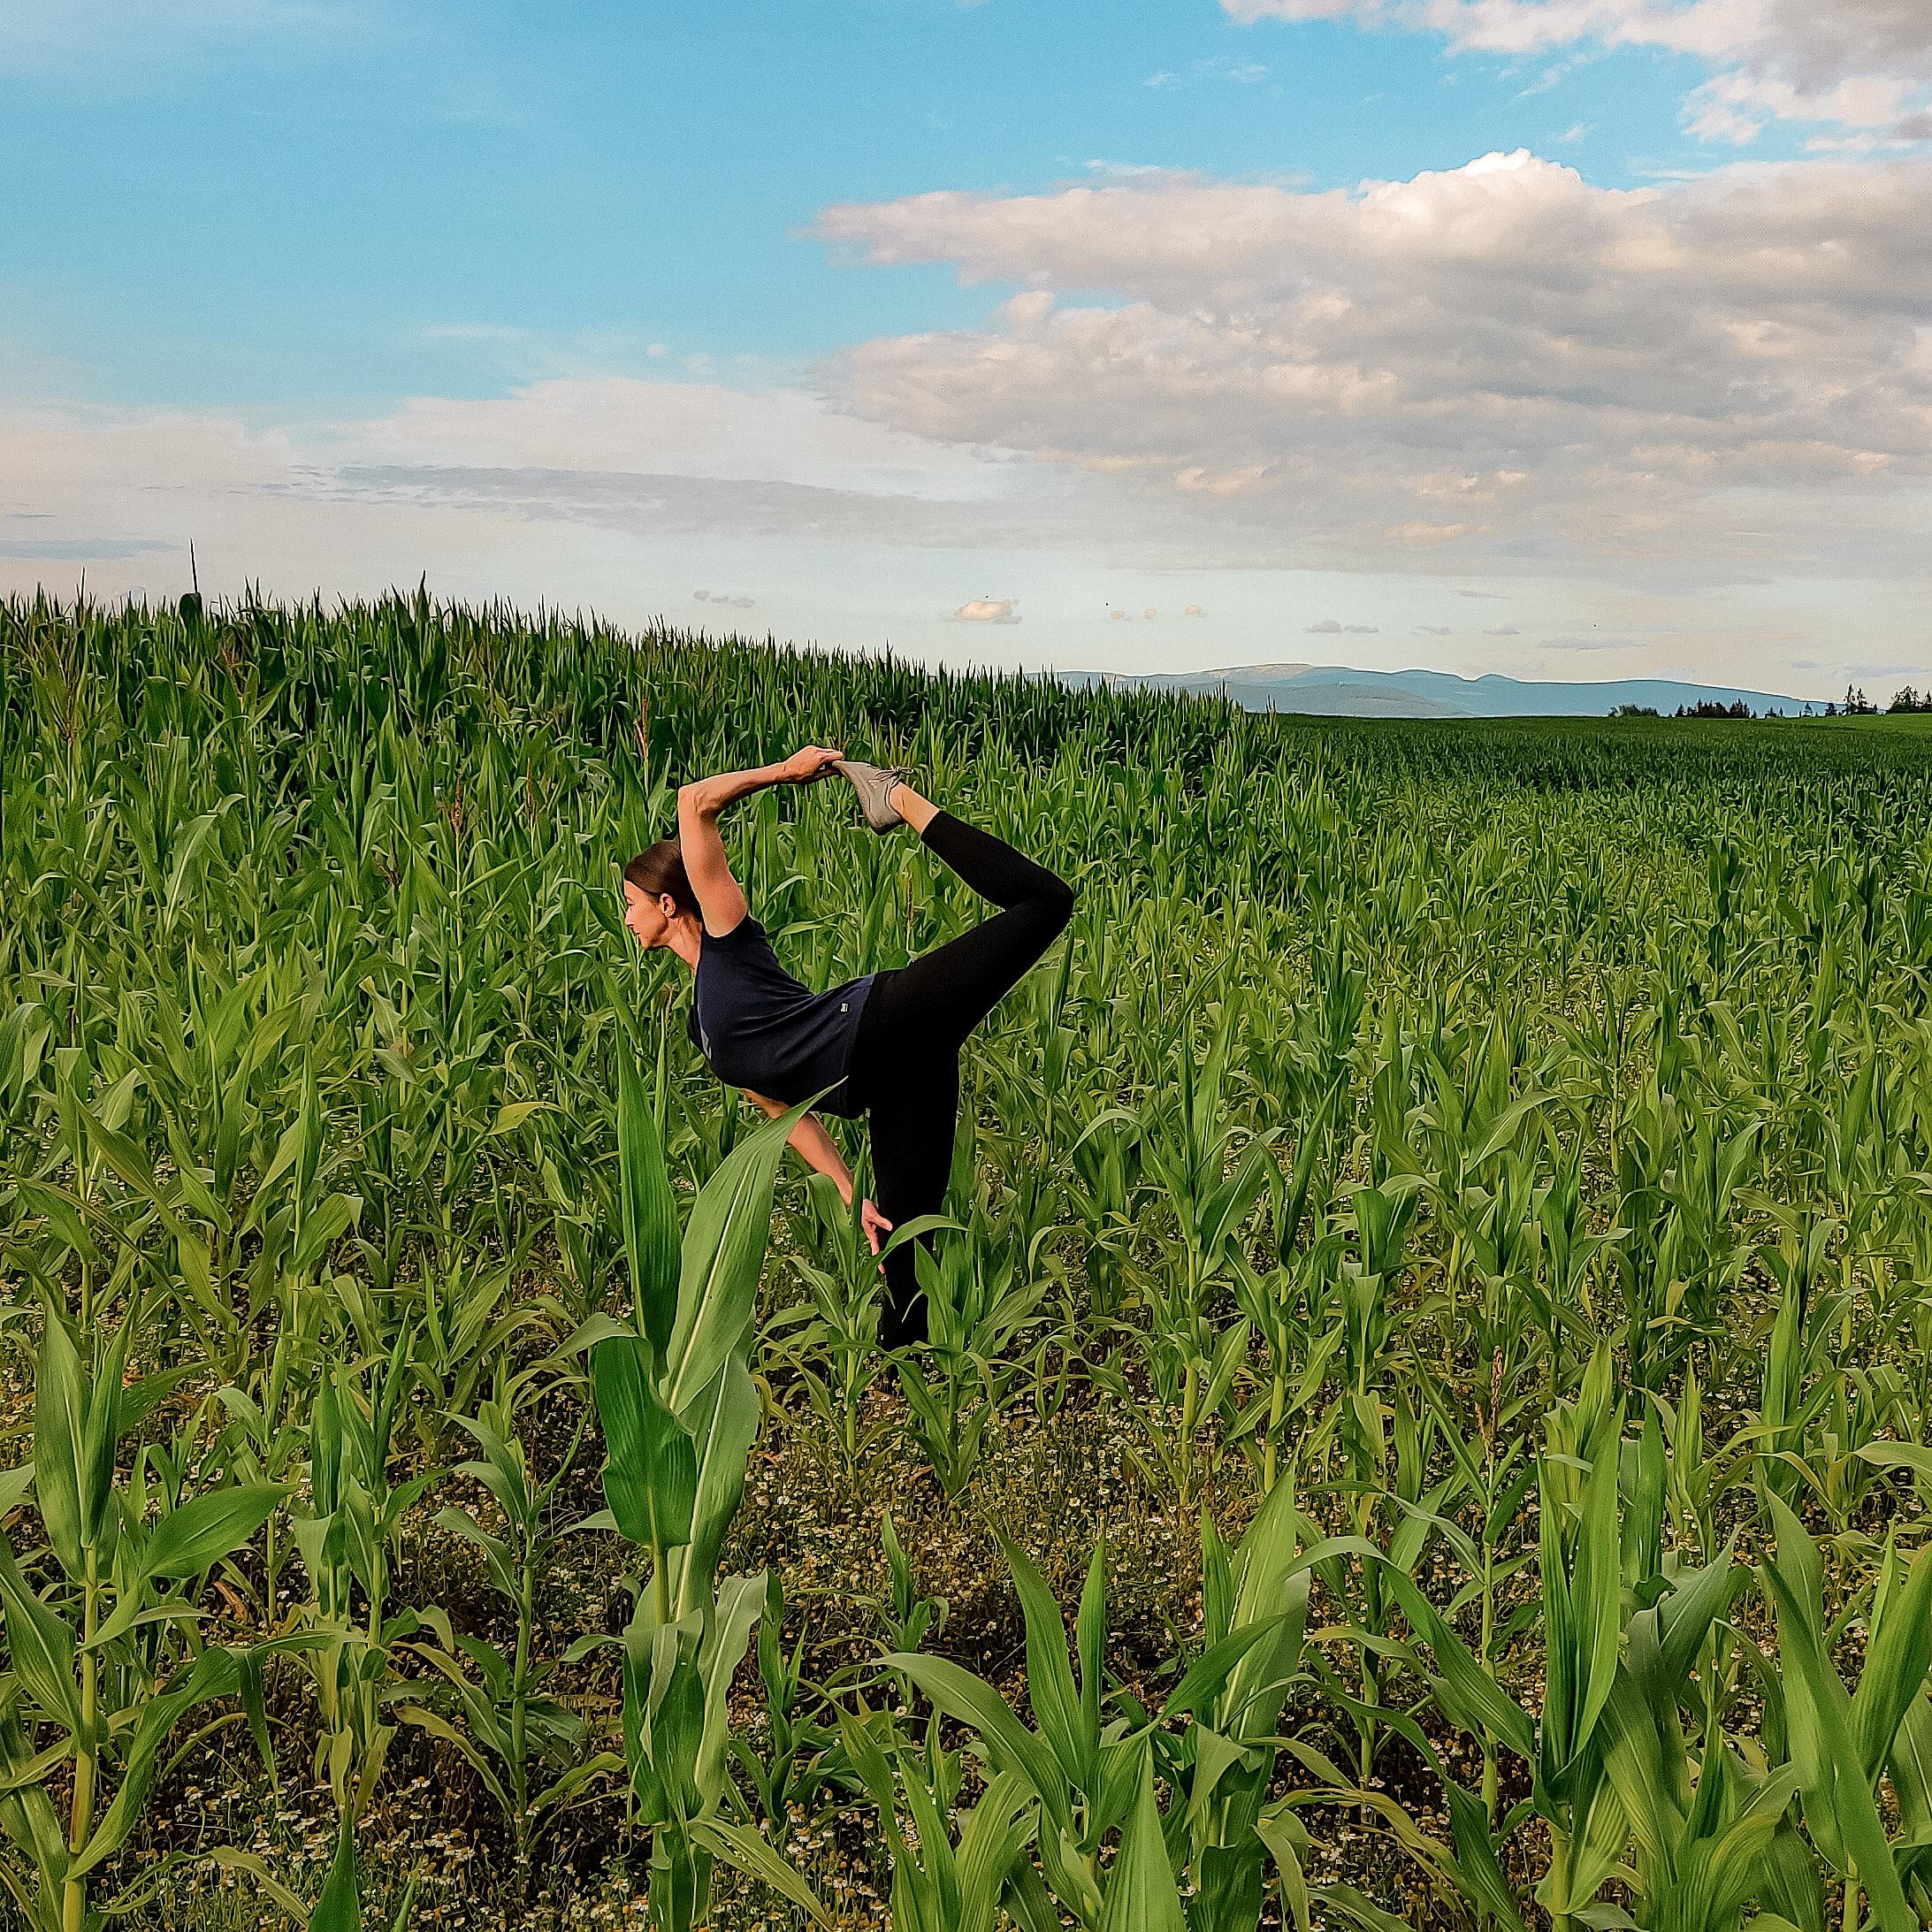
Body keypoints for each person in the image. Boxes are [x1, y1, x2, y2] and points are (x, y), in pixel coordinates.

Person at [621, 746, 1075, 1347]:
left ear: (667, 903)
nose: (627, 919)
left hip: (886, 1022)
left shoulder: (728, 938)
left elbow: (693, 801)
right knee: (903, 1252)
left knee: (1047, 903)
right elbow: (781, 1110)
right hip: (891, 1083)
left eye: (631, 904)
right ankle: (906, 1381)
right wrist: (847, 1186)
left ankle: (896, 797)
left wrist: (784, 772)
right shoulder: (699, 1024)